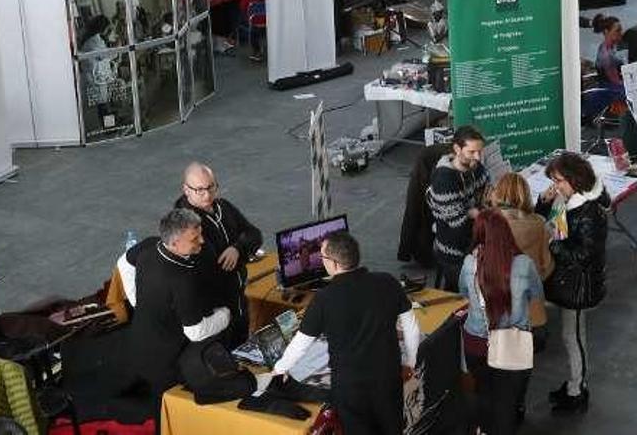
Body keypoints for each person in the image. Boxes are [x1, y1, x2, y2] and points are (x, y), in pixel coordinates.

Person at [272, 232, 420, 435]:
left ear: (333, 263)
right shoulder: (388, 281)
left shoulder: (324, 298)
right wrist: (410, 362)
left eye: (322, 257)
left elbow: (301, 343)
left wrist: (280, 369)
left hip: (351, 389)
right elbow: (411, 326)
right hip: (388, 379)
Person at [118, 209, 232, 411]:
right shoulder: (181, 280)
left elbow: (123, 262)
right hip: (164, 363)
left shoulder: (150, 245)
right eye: (194, 238)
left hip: (136, 343)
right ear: (174, 243)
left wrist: (137, 301)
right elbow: (195, 332)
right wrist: (224, 315)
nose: (202, 241)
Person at [535, 153, 609, 413]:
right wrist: (543, 204)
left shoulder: (590, 213)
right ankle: (574, 385)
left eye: (558, 181)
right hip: (567, 280)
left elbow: (583, 255)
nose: (555, 186)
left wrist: (553, 245)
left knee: (574, 337)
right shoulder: (566, 199)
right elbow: (551, 222)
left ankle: (578, 389)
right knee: (571, 336)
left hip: (579, 286)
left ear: (574, 180)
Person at [458, 209, 542, 434]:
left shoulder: (469, 264)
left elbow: (463, 292)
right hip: (513, 343)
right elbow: (537, 293)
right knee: (507, 403)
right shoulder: (524, 264)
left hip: (476, 342)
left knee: (483, 396)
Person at [174, 162, 262, 350]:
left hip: (238, 299)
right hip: (215, 308)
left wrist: (237, 248)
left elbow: (255, 234)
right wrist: (242, 248)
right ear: (186, 190)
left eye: (211, 187)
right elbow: (215, 264)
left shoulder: (224, 207)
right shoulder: (185, 221)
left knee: (243, 348)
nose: (207, 194)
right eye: (199, 190)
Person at [488, 172, 553, 350]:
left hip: (499, 318)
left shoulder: (489, 228)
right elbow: (546, 268)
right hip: (533, 319)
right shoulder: (539, 226)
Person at [427, 125, 489, 291]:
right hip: (455, 251)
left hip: (475, 242)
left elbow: (488, 194)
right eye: (472, 152)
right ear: (457, 149)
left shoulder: (475, 167)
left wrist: (473, 212)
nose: (478, 157)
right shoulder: (444, 180)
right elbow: (458, 227)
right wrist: (476, 213)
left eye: (480, 152)